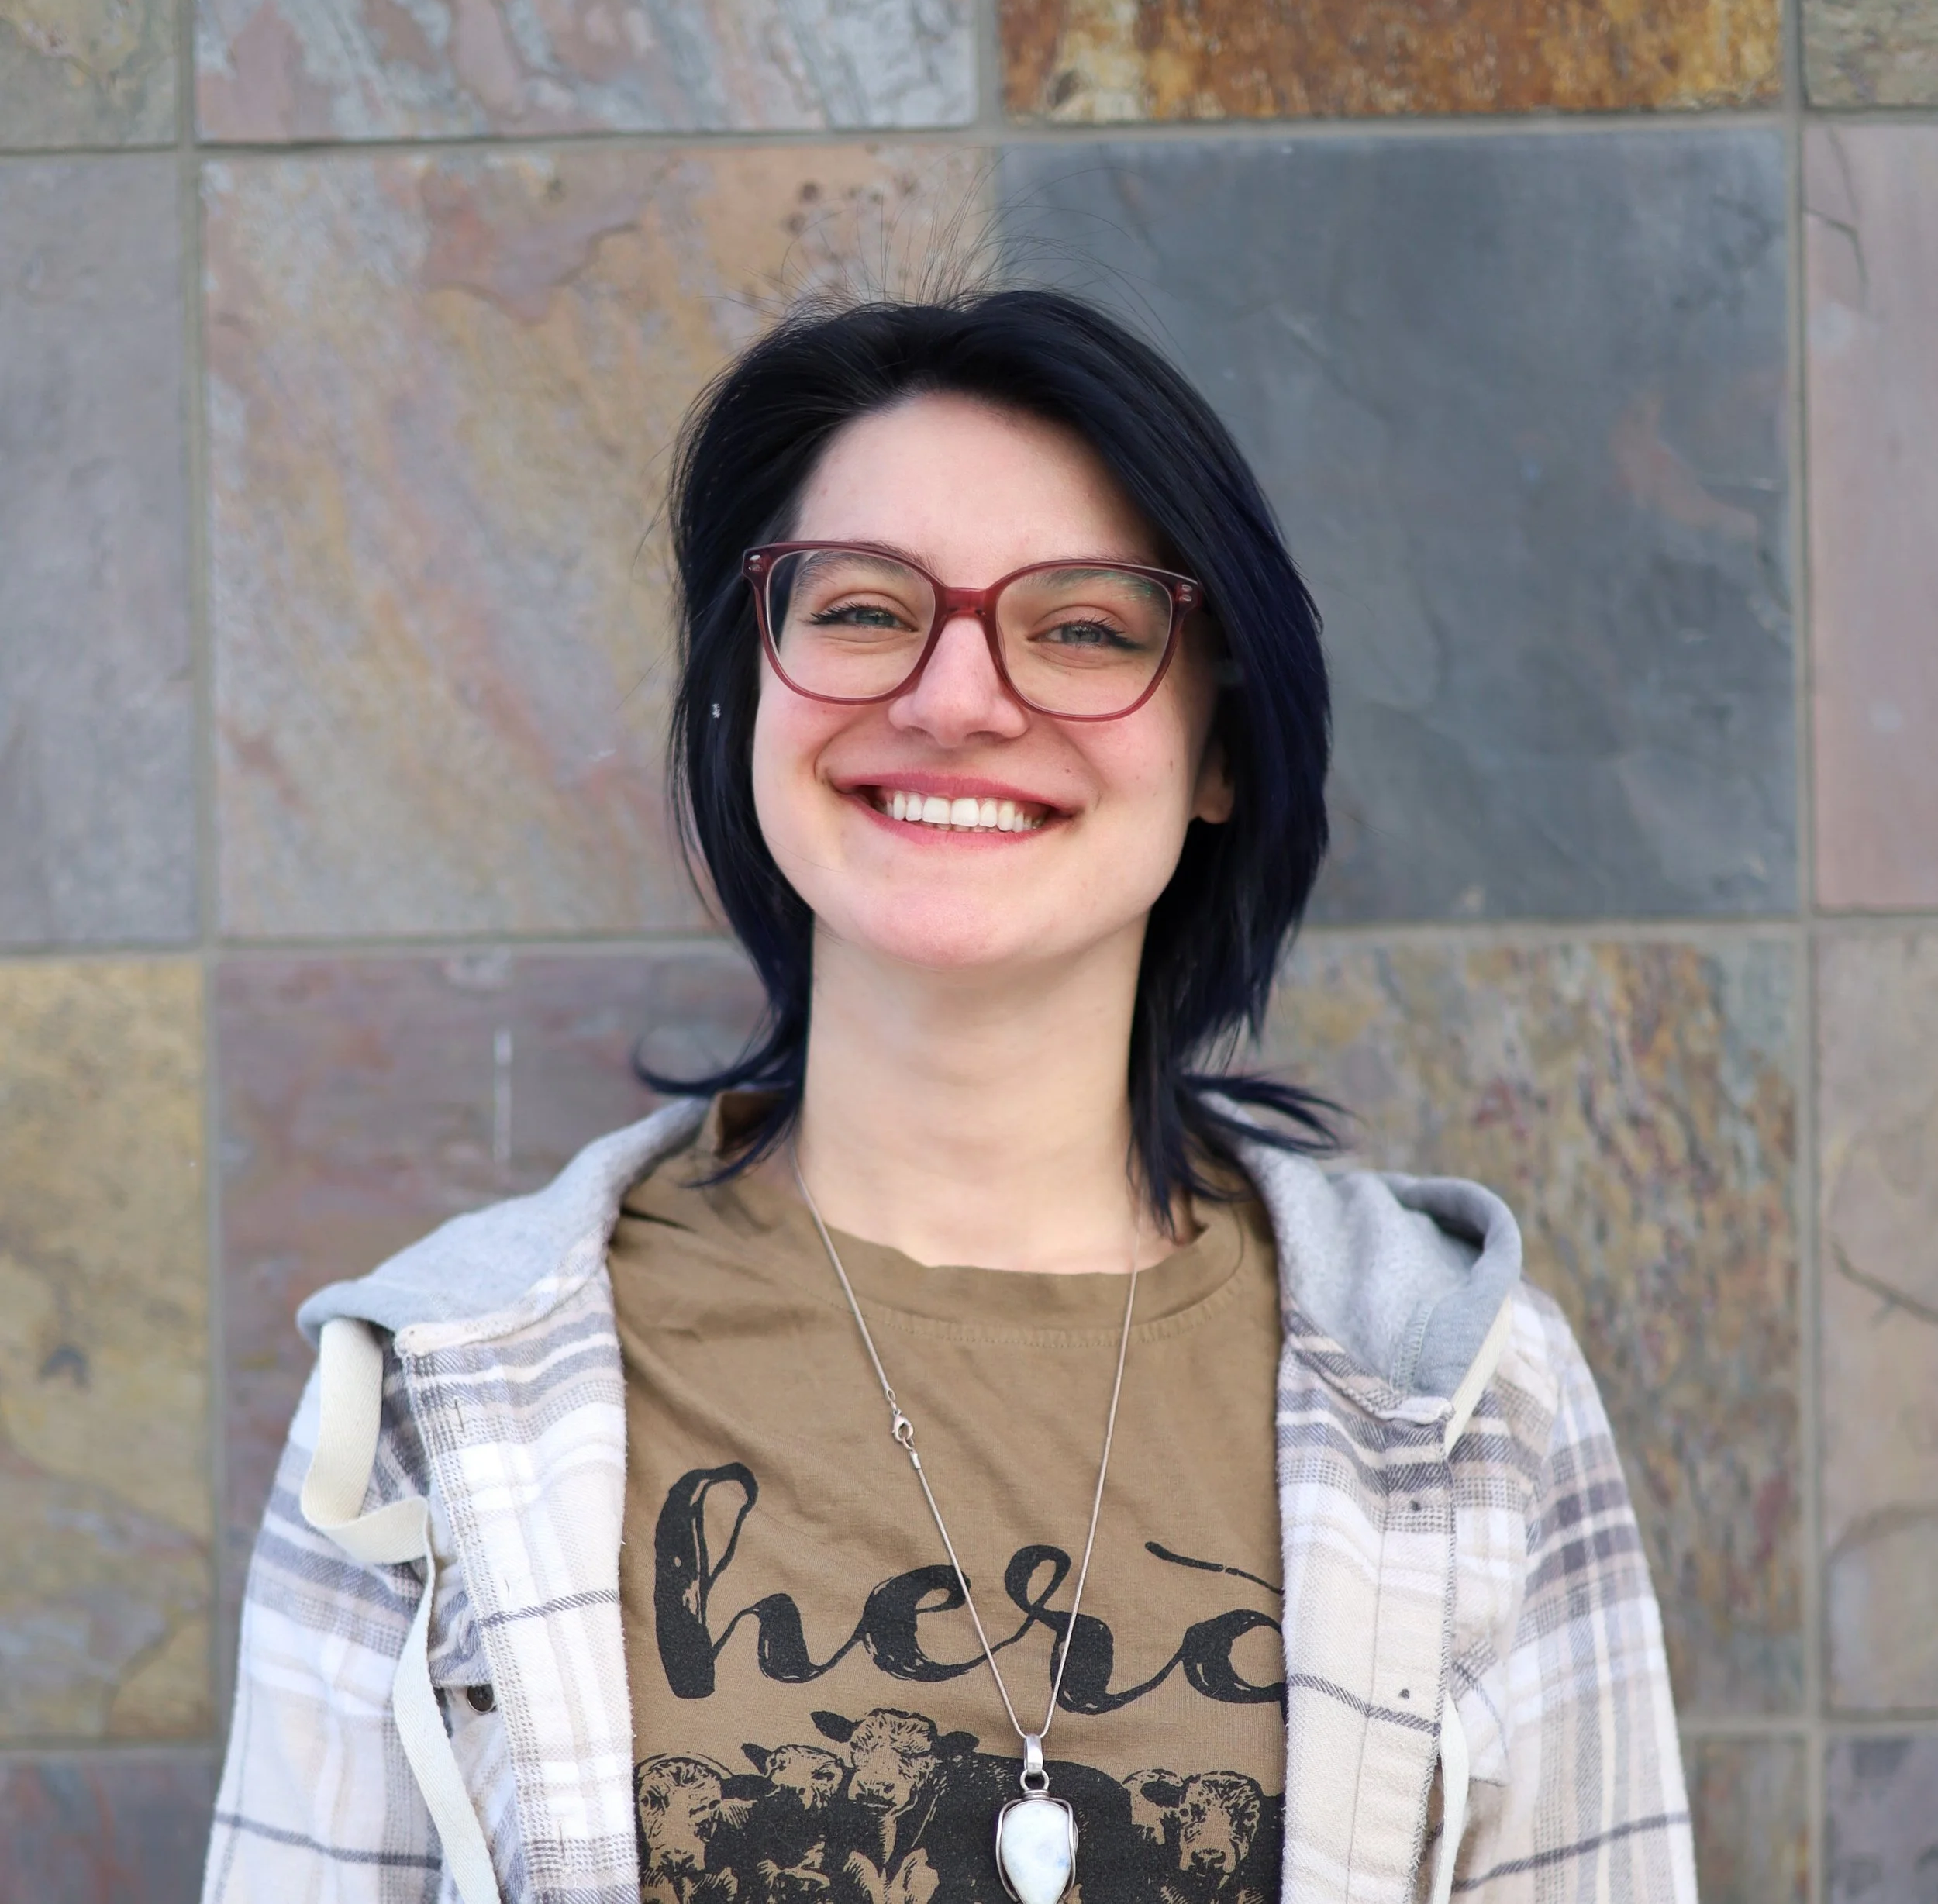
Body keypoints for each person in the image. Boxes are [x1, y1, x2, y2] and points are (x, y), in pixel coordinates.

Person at [202, 290, 1695, 1904]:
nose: (956, 697)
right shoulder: (429, 1397)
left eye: (1083, 627)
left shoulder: (1469, 1400)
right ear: (745, 691)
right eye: (857, 607)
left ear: (1218, 753)